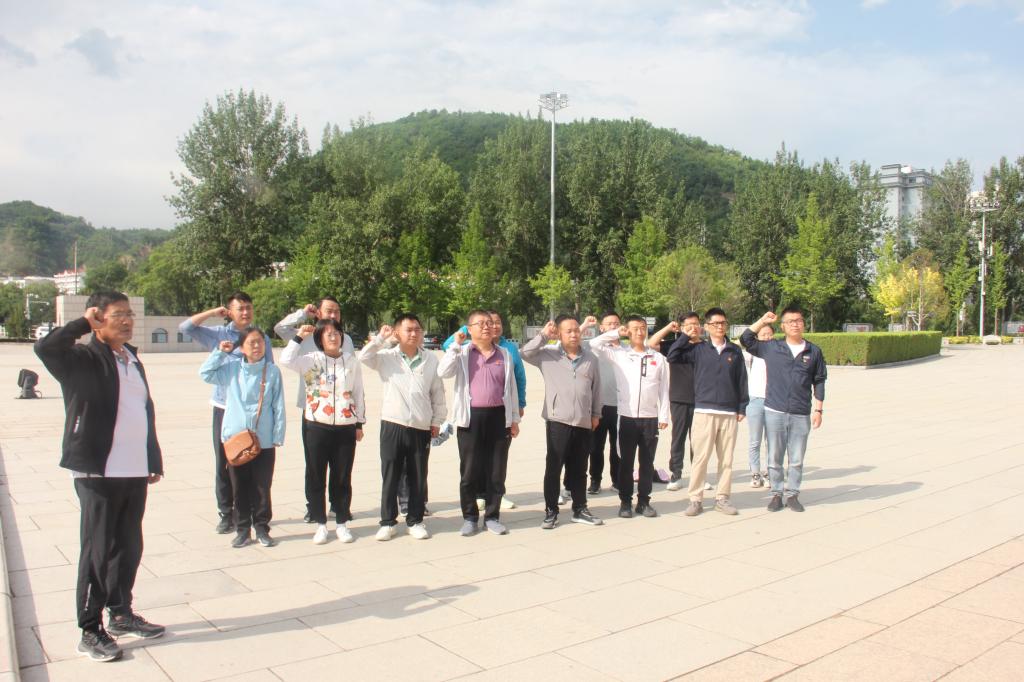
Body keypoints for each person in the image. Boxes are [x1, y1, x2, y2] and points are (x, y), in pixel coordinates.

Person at [35, 291, 165, 662]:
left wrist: (152, 459)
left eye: (130, 314)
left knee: (128, 545)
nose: (127, 320)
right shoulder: (82, 358)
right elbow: (45, 348)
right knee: (97, 549)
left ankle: (121, 612)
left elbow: (143, 411)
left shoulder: (132, 359)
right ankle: (90, 629)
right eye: (118, 314)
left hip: (133, 468)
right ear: (98, 318)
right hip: (98, 469)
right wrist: (81, 324)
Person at [180, 293, 274, 534]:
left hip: (252, 413)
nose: (246, 312)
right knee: (225, 462)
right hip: (225, 409)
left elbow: (269, 370)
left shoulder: (260, 337)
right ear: (230, 311)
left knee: (252, 460)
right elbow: (186, 327)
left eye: (249, 308)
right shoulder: (219, 334)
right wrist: (213, 313)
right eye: (240, 308)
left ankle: (251, 512)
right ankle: (226, 512)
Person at [359, 314, 445, 540]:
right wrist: (381, 339)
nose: (414, 333)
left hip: (420, 426)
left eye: (417, 329)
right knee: (390, 474)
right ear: (398, 333)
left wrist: (437, 421)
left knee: (418, 475)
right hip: (393, 424)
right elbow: (364, 356)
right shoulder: (387, 357)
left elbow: (437, 392)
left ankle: (415, 520)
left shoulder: (430, 359)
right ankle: (388, 522)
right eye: (409, 330)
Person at [280, 319, 365, 543]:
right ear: (319, 338)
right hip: (317, 425)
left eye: (337, 333)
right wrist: (299, 337)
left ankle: (342, 522)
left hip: (345, 426)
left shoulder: (351, 362)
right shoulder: (311, 361)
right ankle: (320, 524)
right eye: (327, 334)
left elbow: (358, 392)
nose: (333, 337)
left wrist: (359, 423)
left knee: (342, 476)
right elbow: (285, 359)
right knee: (316, 475)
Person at [438, 309, 521, 536]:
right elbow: (443, 371)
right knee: (469, 471)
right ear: (469, 329)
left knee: (497, 471)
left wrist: (514, 419)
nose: (487, 327)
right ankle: (470, 517)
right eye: (480, 323)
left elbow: (511, 389)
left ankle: (492, 517)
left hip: (499, 418)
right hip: (470, 418)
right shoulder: (463, 352)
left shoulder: (504, 354)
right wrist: (455, 345)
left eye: (489, 323)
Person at [201, 327, 286, 548]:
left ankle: (262, 528)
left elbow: (278, 404)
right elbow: (206, 374)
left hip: (263, 440)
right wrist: (220, 353)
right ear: (242, 348)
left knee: (262, 486)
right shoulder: (231, 369)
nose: (257, 346)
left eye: (260, 342)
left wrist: (278, 434)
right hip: (236, 439)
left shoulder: (272, 371)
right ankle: (242, 529)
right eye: (251, 343)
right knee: (239, 487)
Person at [274, 297, 354, 523]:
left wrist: (358, 419)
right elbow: (280, 329)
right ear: (318, 312)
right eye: (329, 310)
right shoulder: (307, 335)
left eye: (337, 311)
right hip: (314, 411)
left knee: (341, 466)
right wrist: (301, 314)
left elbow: (352, 374)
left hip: (342, 413)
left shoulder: (346, 339)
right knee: (314, 464)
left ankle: (339, 507)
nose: (333, 315)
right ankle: (314, 508)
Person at [521, 315, 603, 529]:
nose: (574, 334)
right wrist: (543, 335)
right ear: (559, 333)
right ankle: (551, 511)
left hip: (583, 420)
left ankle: (580, 508)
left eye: (576, 330)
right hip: (557, 420)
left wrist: (596, 414)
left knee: (579, 468)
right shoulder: (548, 355)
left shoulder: (590, 358)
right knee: (554, 467)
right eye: (569, 331)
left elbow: (597, 388)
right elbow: (525, 353)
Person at [741, 307, 827, 512]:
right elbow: (746, 339)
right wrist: (762, 321)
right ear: (783, 326)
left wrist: (818, 410)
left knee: (796, 458)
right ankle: (776, 494)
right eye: (790, 321)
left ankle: (793, 494)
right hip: (775, 411)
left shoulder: (813, 351)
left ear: (803, 324)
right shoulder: (773, 347)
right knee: (774, 457)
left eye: (798, 320)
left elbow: (819, 380)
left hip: (800, 412)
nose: (795, 324)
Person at [666, 307, 748, 517]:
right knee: (700, 458)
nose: (720, 326)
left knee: (726, 460)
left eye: (723, 323)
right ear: (707, 326)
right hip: (704, 410)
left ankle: (722, 498)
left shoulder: (734, 351)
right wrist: (685, 336)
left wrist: (742, 406)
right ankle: (695, 499)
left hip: (728, 412)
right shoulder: (699, 349)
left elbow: (741, 380)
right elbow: (672, 356)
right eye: (715, 323)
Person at [590, 316, 670, 519]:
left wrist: (663, 415)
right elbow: (594, 344)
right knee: (626, 462)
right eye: (635, 328)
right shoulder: (619, 354)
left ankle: (644, 501)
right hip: (626, 418)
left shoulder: (658, 358)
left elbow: (664, 389)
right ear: (628, 331)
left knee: (647, 462)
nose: (640, 332)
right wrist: (617, 332)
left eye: (643, 328)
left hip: (650, 418)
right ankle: (625, 502)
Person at [647, 315, 702, 491]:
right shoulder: (675, 345)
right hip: (680, 399)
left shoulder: (706, 347)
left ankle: (698, 475)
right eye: (689, 325)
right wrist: (669, 329)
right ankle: (676, 474)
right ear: (682, 327)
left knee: (699, 441)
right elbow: (651, 343)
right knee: (678, 438)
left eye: (696, 324)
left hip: (702, 399)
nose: (693, 327)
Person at [580, 312, 622, 494]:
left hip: (621, 406)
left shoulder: (626, 349)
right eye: (609, 324)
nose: (614, 326)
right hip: (599, 406)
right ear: (602, 328)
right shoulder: (595, 347)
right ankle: (595, 480)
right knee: (596, 447)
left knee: (618, 447)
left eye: (617, 323)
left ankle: (618, 480)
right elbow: (582, 340)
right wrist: (585, 325)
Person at [743, 324, 775, 487]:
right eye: (763, 334)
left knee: (772, 441)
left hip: (773, 401)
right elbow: (743, 340)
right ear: (757, 337)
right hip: (755, 400)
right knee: (755, 440)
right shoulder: (751, 355)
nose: (767, 337)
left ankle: (770, 472)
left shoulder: (777, 353)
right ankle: (755, 473)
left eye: (769, 334)